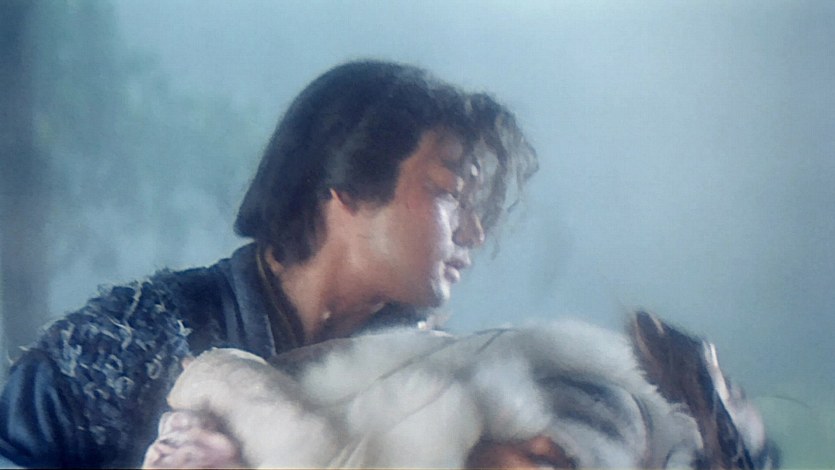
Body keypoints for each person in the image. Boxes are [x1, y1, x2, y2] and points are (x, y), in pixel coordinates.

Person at [0, 60, 540, 468]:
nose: (474, 232)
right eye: (449, 193)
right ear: (347, 188)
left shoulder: (441, 383)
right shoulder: (133, 339)